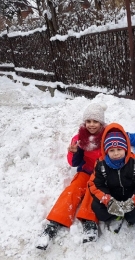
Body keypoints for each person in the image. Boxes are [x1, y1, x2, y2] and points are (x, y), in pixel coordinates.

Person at [36, 103, 107, 250]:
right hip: (85, 171)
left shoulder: (106, 136)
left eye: (95, 121)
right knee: (72, 189)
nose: (91, 125)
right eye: (88, 121)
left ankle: (89, 222)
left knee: (92, 192)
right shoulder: (79, 137)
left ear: (101, 122)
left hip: (100, 174)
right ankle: (53, 222)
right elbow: (73, 163)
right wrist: (73, 152)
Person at [76, 123, 135, 242]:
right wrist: (108, 201)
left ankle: (128, 214)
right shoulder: (101, 164)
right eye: (111, 150)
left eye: (119, 149)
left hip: (131, 196)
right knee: (98, 210)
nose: (116, 153)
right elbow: (94, 184)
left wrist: (133, 201)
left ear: (125, 148)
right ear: (106, 151)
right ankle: (117, 213)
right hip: (113, 197)